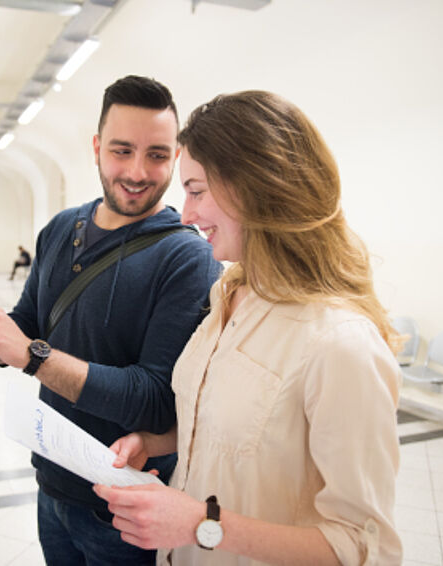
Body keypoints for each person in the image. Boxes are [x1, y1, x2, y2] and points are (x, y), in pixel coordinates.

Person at [94, 91, 404, 565]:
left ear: (257, 187)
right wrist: (153, 441)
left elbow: (362, 548)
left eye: (197, 190)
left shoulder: (340, 345)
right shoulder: (228, 295)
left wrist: (201, 525)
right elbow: (236, 425)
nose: (188, 213)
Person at [0, 75, 220, 565]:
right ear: (96, 147)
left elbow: (156, 400)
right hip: (51, 484)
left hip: (124, 509)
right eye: (121, 150)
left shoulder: (187, 258)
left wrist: (32, 357)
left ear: (176, 157)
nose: (137, 171)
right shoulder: (60, 228)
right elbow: (29, 321)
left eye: (157, 155)